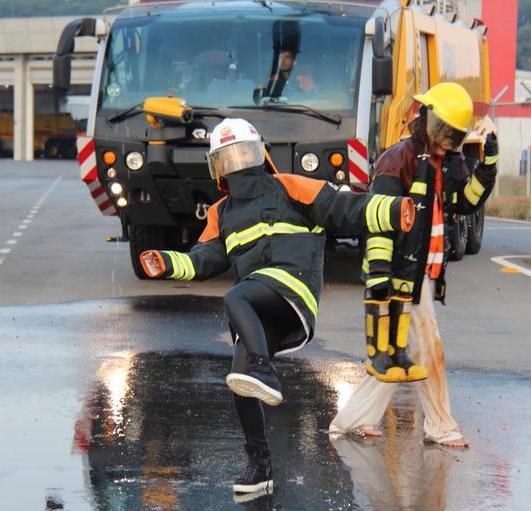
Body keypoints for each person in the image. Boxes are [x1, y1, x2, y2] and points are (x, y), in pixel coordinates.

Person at [138, 118, 416, 496]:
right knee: (240, 383)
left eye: (243, 154)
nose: (237, 164)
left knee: (235, 297)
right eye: (228, 158)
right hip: (260, 305)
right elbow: (205, 257)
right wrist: (168, 262)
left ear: (261, 154)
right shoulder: (221, 212)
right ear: (217, 167)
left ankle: (264, 369)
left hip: (293, 286)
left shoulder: (290, 186)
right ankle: (260, 466)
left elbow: (344, 207)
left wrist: (395, 209)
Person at [330, 82, 500, 447]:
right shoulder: (398, 159)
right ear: (424, 119)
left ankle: (349, 422)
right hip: (401, 273)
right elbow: (378, 224)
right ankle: (440, 427)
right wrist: (380, 281)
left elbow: (464, 202)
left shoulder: (448, 163)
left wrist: (488, 163)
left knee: (396, 356)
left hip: (422, 272)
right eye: (441, 132)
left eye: (453, 138)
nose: (444, 142)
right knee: (427, 348)